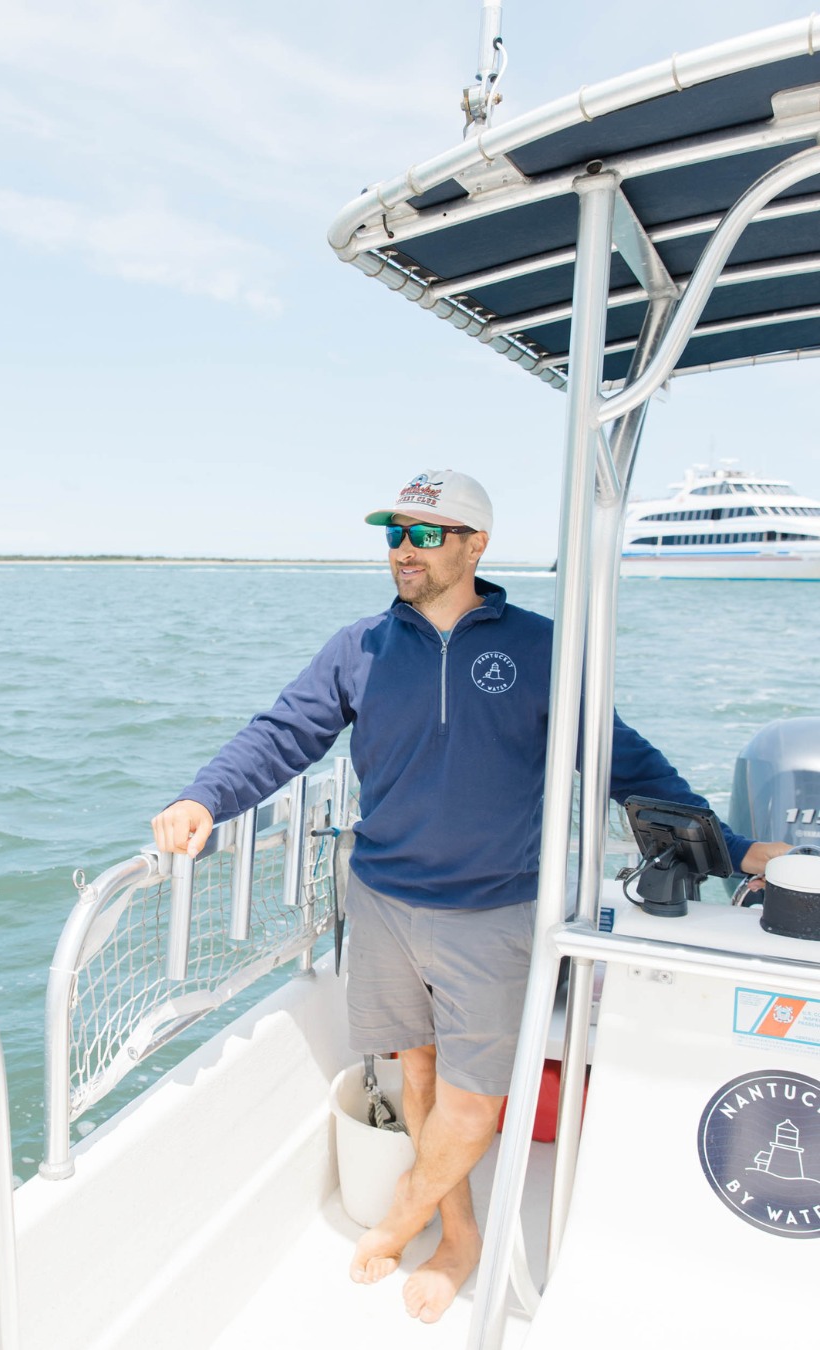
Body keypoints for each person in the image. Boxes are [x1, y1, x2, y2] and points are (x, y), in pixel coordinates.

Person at [150, 469, 788, 1325]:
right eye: (393, 534)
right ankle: (460, 1234)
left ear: (475, 544)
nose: (401, 551)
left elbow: (620, 758)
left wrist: (737, 849)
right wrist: (205, 798)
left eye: (423, 534)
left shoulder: (537, 647)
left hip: (494, 912)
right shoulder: (360, 647)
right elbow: (282, 734)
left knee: (474, 1095)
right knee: (415, 1067)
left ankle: (408, 1212)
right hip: (381, 899)